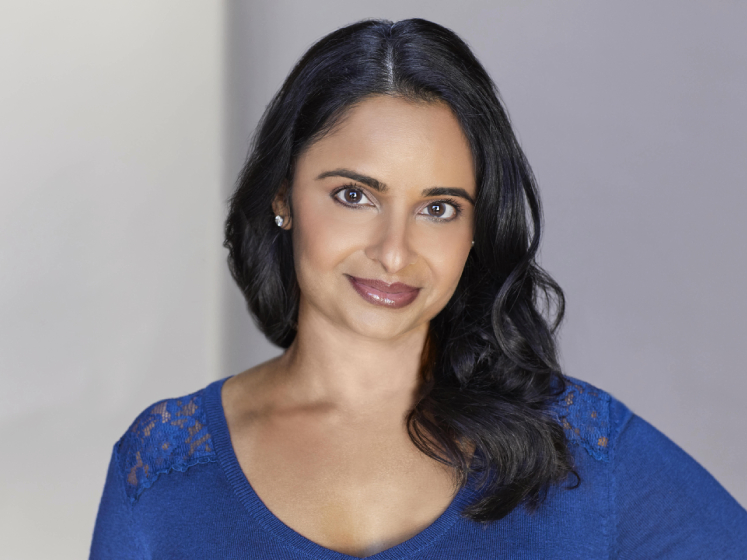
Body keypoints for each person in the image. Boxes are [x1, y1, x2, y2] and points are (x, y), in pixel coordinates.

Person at [89, 18, 747, 559]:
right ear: (282, 196)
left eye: (438, 208)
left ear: (474, 231)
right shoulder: (165, 469)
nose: (393, 251)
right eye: (354, 195)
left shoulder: (578, 448)